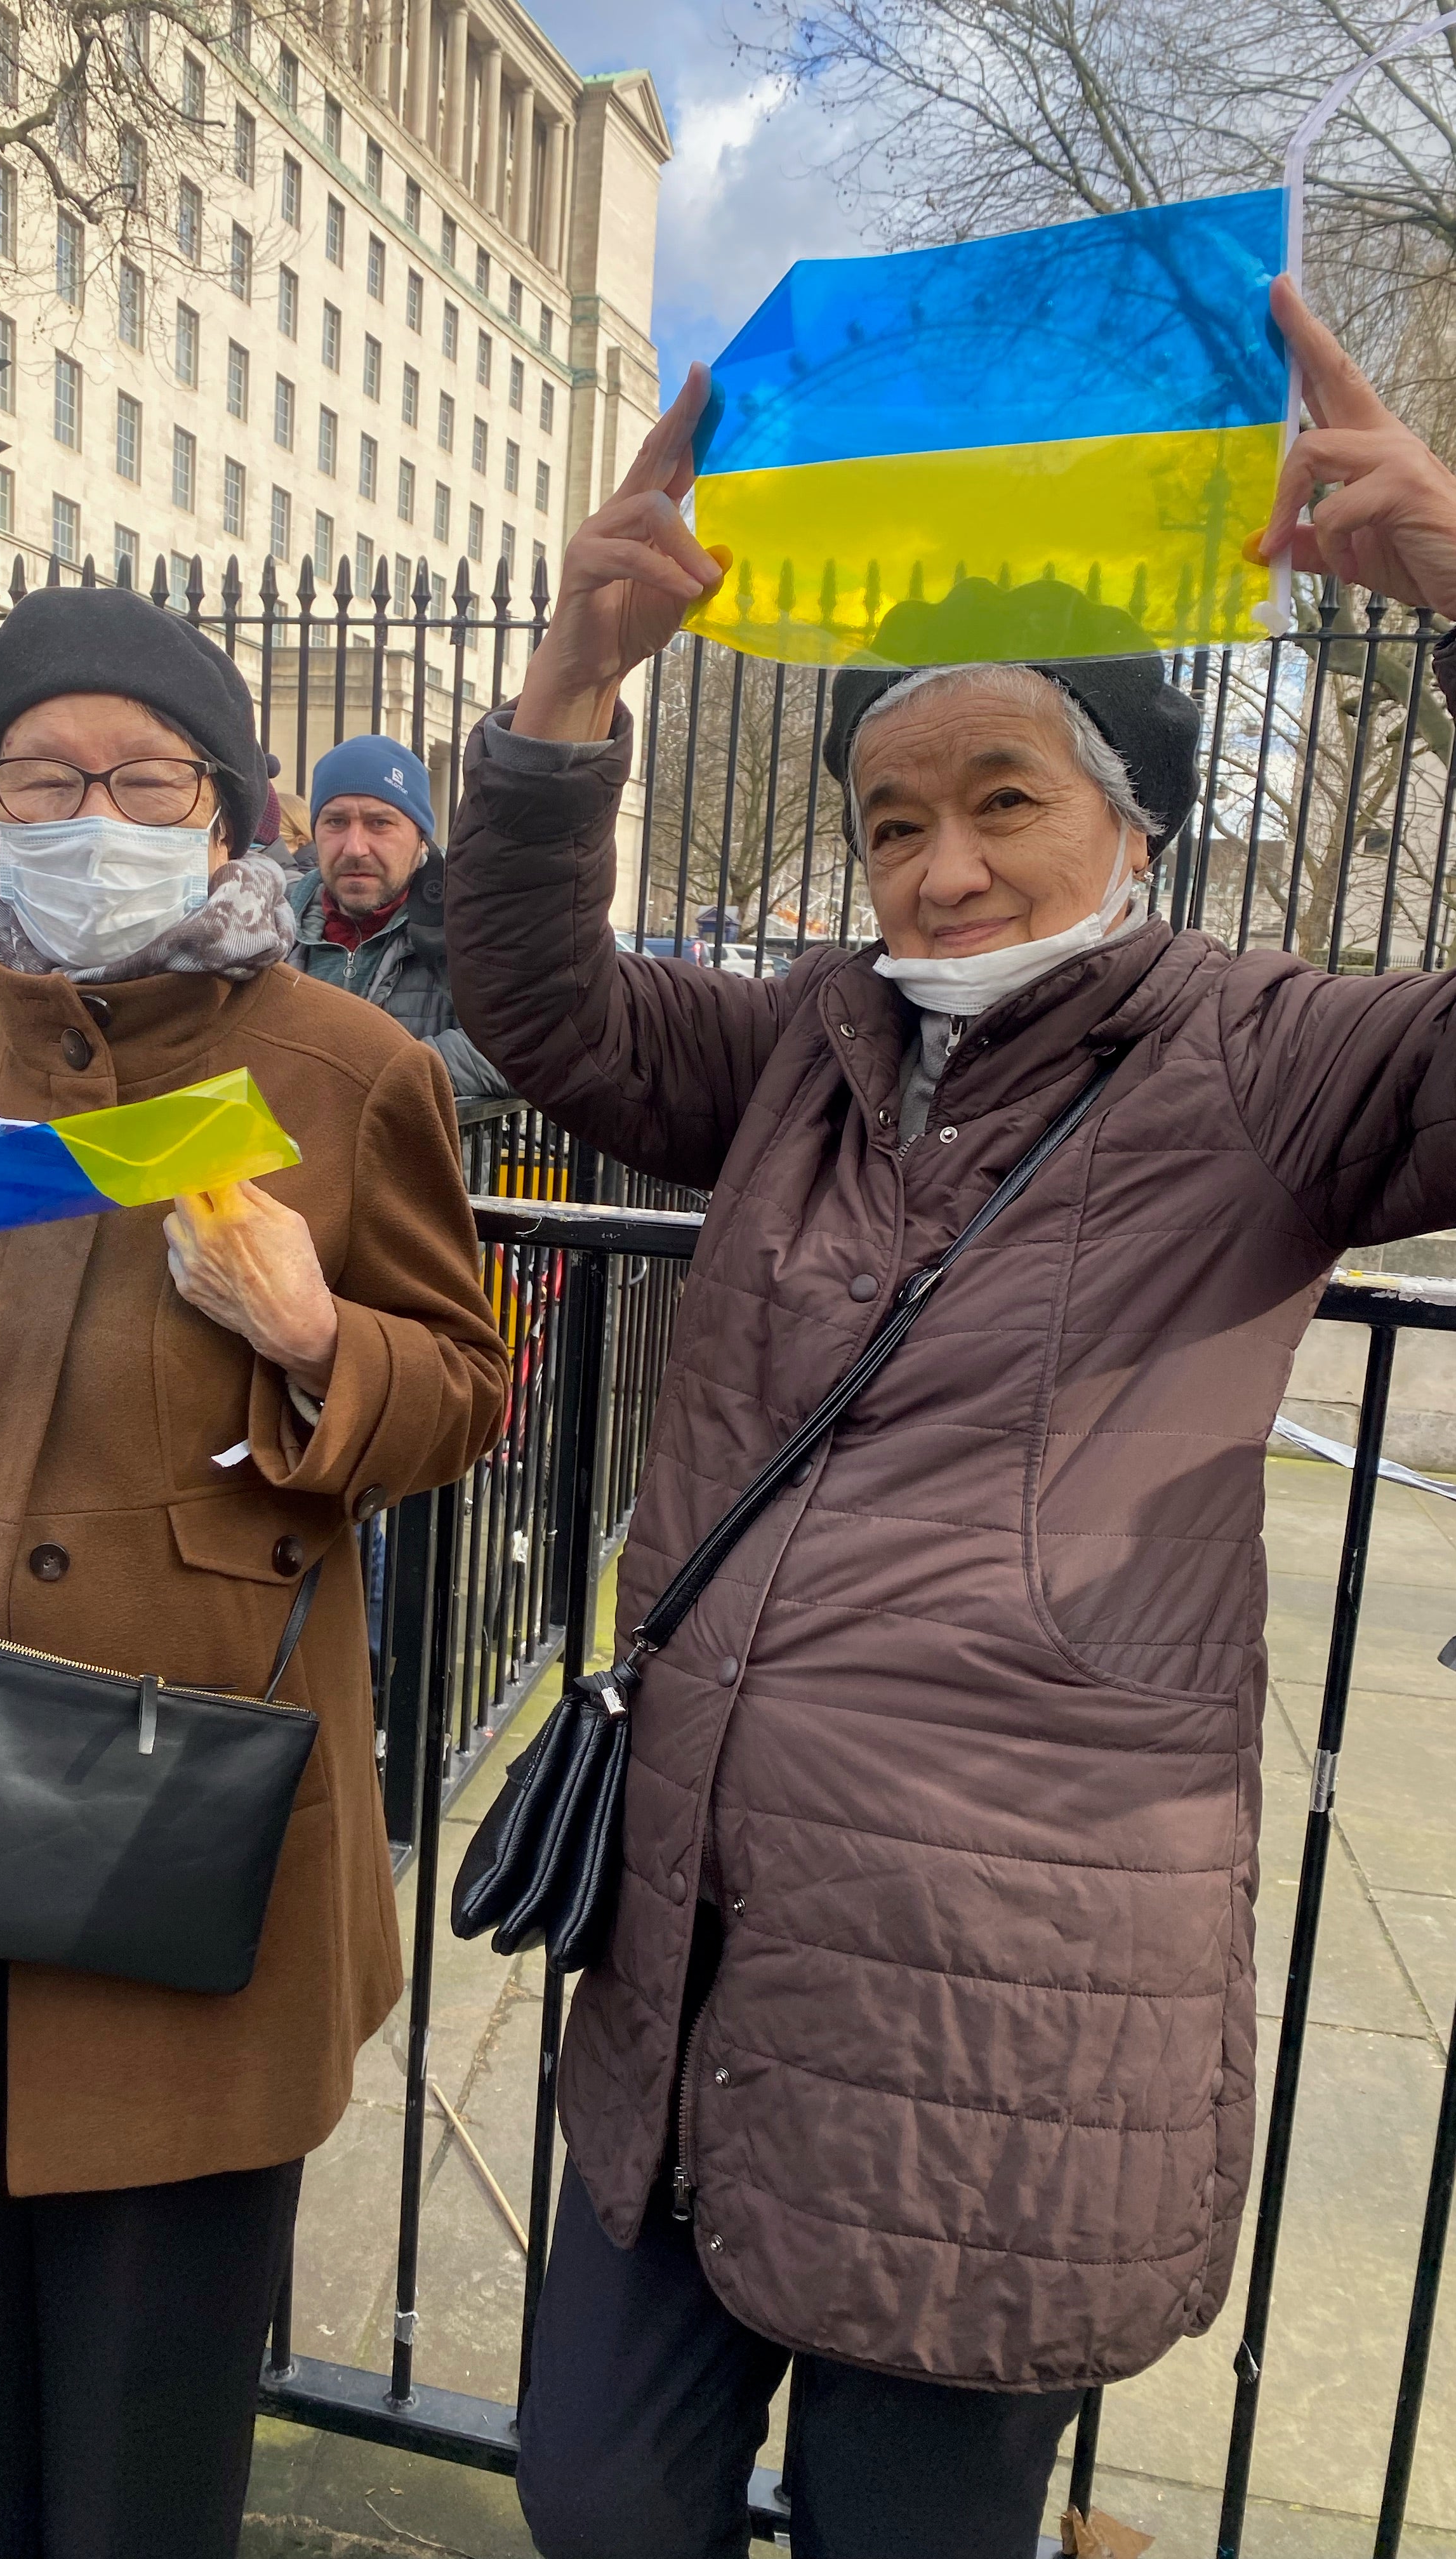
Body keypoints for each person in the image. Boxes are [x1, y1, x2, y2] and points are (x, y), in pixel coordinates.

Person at [442, 275, 1456, 2559]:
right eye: (890, 820)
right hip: (695, 1942)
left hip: (1005, 1994)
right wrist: (572, 687)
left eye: (998, 800)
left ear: (1130, 826)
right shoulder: (805, 1037)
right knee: (598, 2499)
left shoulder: (1266, 1061)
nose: (937, 869)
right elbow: (542, 1007)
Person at [0, 586, 510, 2559]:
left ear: (224, 804)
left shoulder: (342, 1067)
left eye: (142, 774)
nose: (93, 808)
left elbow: (471, 1389)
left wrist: (321, 1336)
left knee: (142, 2437)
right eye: (45, 775)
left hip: (186, 1792)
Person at [288, 732, 508, 1099]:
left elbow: (520, 1051)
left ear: (421, 838)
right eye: (336, 822)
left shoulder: (469, 923)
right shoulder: (269, 923)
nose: (355, 848)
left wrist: (373, 1075)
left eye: (380, 823)